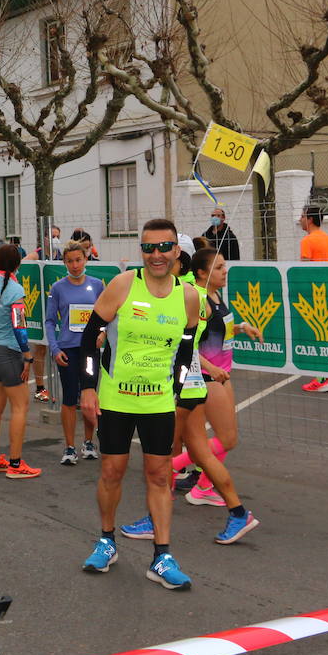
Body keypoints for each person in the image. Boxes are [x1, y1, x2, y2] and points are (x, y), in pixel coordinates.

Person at [78, 218, 201, 590]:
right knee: (112, 473)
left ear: (177, 251)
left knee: (160, 476)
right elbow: (89, 338)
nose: (156, 255)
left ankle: (162, 556)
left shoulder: (189, 297)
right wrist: (87, 387)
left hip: (158, 402)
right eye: (148, 248)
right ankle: (106, 541)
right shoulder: (123, 285)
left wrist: (177, 390)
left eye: (164, 247)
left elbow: (185, 347)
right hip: (115, 399)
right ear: (141, 252)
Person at [119, 246, 260, 546]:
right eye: (219, 267)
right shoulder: (193, 295)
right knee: (198, 454)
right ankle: (238, 512)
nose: (160, 264)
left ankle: (154, 517)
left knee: (163, 455)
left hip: (182, 384)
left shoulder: (188, 296)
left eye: (167, 259)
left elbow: (189, 345)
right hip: (193, 384)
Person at [0, 244, 41, 478]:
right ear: (17, 265)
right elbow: (20, 326)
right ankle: (15, 464)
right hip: (10, 354)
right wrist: (27, 355)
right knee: (20, 407)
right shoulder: (15, 289)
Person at [45, 241, 103, 465]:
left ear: (86, 259)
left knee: (89, 397)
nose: (75, 265)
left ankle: (88, 443)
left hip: (90, 351)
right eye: (70, 261)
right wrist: (55, 348)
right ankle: (69, 447)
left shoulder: (97, 285)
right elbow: (50, 321)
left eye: (78, 260)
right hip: (67, 350)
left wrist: (103, 333)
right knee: (69, 398)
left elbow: (108, 316)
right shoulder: (58, 288)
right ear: (64, 262)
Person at [298, 205, 328, 394]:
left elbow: (305, 270)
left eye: (302, 216)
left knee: (317, 336)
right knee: (325, 334)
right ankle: (325, 374)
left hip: (315, 293)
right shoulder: (327, 239)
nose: (300, 219)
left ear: (310, 219)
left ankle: (322, 379)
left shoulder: (308, 241)